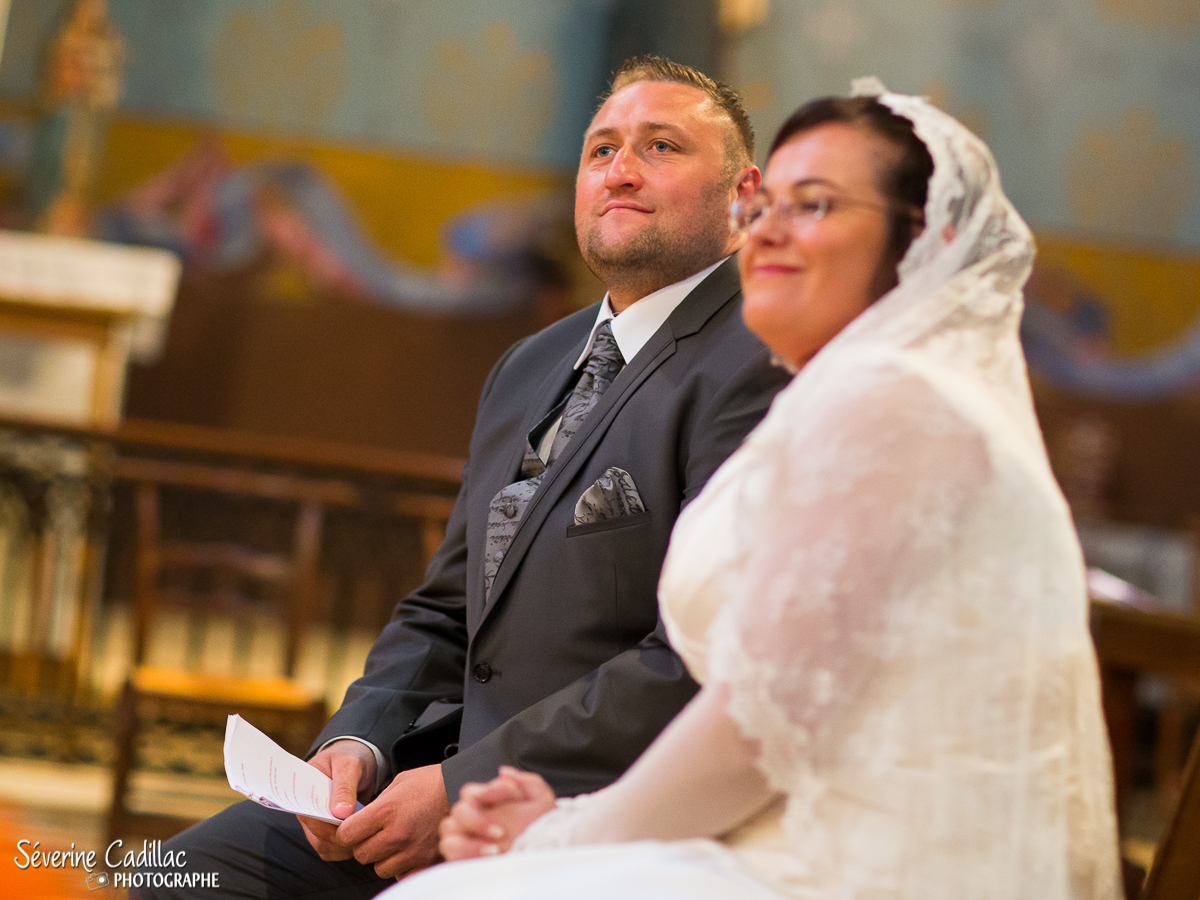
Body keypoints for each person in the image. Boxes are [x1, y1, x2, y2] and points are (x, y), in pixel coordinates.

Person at [378, 81, 1124, 899]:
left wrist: (554, 834)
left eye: (815, 205)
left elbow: (758, 726)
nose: (764, 229)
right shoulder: (840, 395)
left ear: (921, 239)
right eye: (767, 207)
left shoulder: (899, 405)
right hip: (744, 817)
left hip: (859, 860)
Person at [133, 57, 789, 898]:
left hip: (590, 808)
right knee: (180, 876)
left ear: (744, 194)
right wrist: (357, 744)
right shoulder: (530, 364)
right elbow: (445, 607)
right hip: (427, 769)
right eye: (601, 150)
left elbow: (692, 657)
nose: (620, 170)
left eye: (661, 146)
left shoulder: (758, 364)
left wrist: (459, 787)